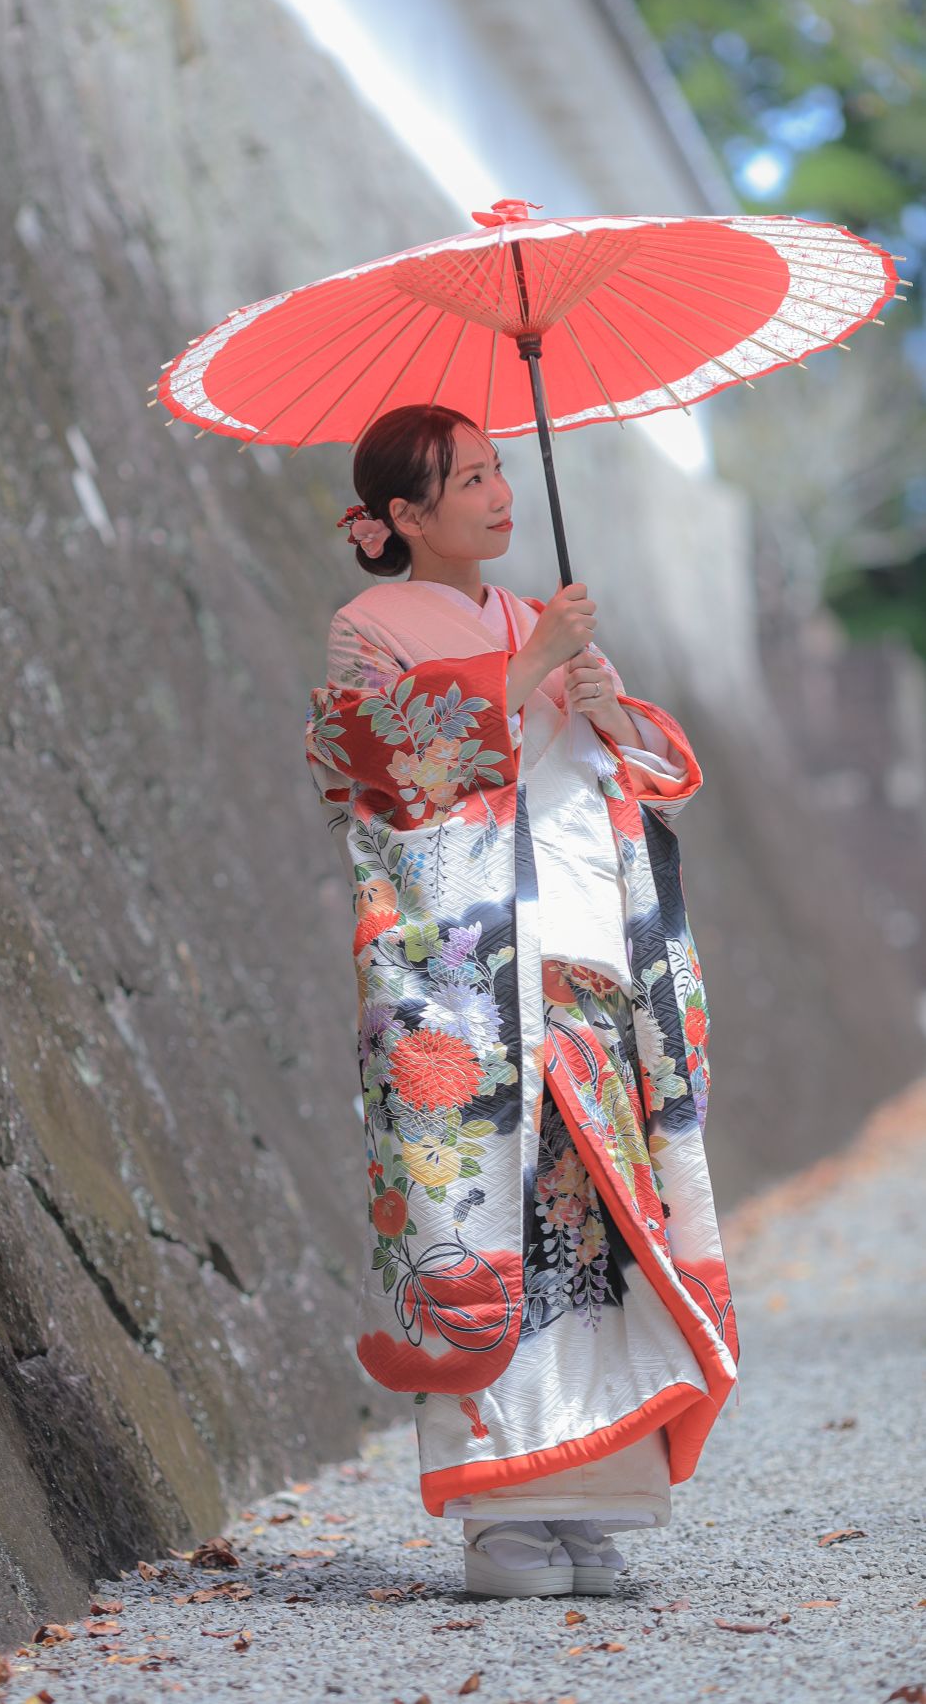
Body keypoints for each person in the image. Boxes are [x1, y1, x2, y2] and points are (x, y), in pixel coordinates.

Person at [304, 404, 739, 1601]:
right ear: (402, 516)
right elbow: (374, 776)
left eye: (502, 471)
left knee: (595, 1229)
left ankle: (592, 1499)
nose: (501, 496)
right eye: (471, 480)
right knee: (482, 1237)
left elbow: (635, 779)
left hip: (583, 954)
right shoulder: (367, 629)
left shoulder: (522, 616)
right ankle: (499, 1517)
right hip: (468, 987)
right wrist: (532, 666)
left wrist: (597, 705)